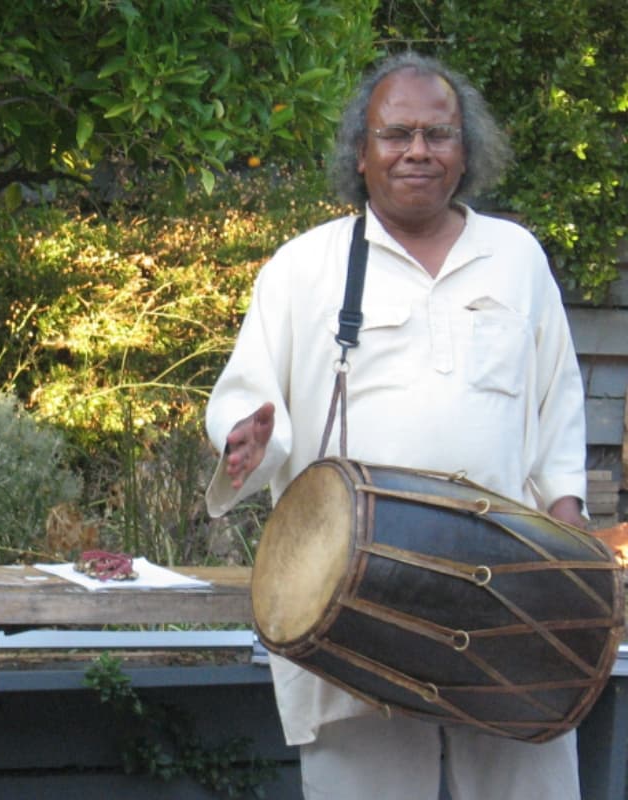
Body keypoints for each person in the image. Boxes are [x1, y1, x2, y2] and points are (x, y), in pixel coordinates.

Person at [204, 51, 587, 799]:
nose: (418, 150)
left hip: (507, 598)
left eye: (438, 134)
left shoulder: (516, 258)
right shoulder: (302, 267)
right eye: (397, 133)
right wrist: (247, 438)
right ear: (362, 150)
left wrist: (569, 534)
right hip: (353, 603)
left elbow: (558, 407)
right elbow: (248, 399)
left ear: (466, 150)